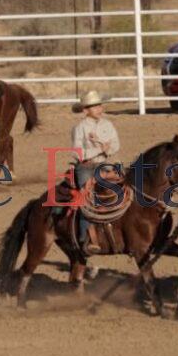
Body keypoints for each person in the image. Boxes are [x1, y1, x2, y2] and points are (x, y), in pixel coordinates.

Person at [71, 90, 121, 249]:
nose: (100, 108)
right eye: (95, 106)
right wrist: (99, 150)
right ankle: (86, 237)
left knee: (126, 187)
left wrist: (107, 151)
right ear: (85, 110)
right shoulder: (80, 128)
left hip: (104, 163)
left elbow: (115, 144)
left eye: (100, 105)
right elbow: (77, 153)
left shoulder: (108, 124)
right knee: (87, 198)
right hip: (86, 166)